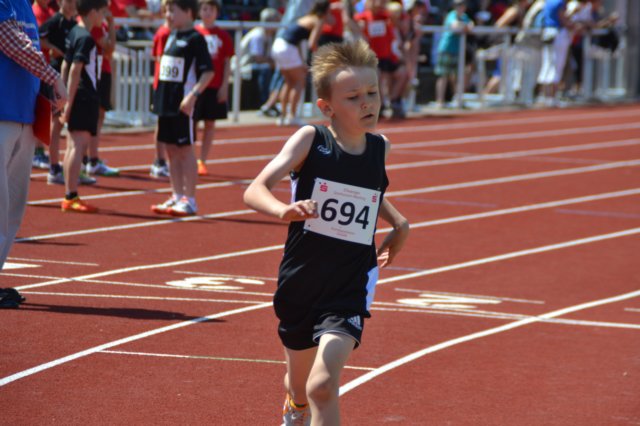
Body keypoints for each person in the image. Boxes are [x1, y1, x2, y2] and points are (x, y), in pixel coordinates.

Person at [243, 39, 409, 425]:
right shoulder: (310, 140)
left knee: (323, 385)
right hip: (301, 280)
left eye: (372, 93)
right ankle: (295, 405)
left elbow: (365, 194)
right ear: (326, 107)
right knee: (300, 386)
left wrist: (399, 223)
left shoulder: (380, 148)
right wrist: (282, 210)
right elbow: (254, 189)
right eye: (353, 97)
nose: (367, 103)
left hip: (349, 284)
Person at [0, 0, 67, 282]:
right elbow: (10, 41)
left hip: (24, 115)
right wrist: (53, 77)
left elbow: (29, 53)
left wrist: (44, 92)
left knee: (13, 208)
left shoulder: (25, 4)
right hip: (3, 114)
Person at [150, 0, 213, 216]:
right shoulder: (171, 35)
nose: (167, 14)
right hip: (165, 103)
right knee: (170, 150)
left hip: (183, 105)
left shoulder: (196, 39)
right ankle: (177, 196)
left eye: (172, 10)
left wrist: (193, 96)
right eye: (166, 10)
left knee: (185, 150)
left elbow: (208, 72)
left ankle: (190, 200)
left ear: (187, 12)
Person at [59, 0, 108, 213]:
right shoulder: (86, 38)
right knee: (78, 146)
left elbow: (65, 64)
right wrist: (68, 102)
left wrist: (63, 95)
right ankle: (71, 195)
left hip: (78, 95)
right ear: (93, 12)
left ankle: (70, 193)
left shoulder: (74, 32)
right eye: (102, 12)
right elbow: (75, 69)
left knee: (73, 146)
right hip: (84, 96)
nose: (103, 17)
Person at [271, 0, 329, 127]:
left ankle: (282, 116)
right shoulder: (318, 20)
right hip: (287, 47)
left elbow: (295, 40)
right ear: (325, 11)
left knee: (288, 82)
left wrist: (302, 61)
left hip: (278, 44)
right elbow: (312, 43)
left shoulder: (306, 18)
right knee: (299, 82)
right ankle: (292, 116)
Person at [38, 0, 78, 185]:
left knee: (67, 124)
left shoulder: (74, 24)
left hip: (68, 76)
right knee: (56, 122)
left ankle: (72, 165)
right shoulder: (55, 21)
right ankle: (53, 167)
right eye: (68, 1)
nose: (72, 5)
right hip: (55, 76)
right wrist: (53, 49)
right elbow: (38, 38)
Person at [193, 0, 233, 177]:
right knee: (191, 123)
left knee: (210, 123)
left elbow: (227, 63)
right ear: (199, 11)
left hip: (215, 86)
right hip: (196, 86)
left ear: (217, 12)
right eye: (204, 9)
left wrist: (224, 86)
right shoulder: (194, 33)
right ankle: (190, 157)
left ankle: (202, 160)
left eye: (211, 9)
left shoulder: (223, 35)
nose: (208, 12)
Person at [354, 0, 409, 119]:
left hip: (387, 57)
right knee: (376, 75)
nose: (379, 5)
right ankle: (381, 104)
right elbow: (352, 22)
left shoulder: (387, 16)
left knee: (403, 73)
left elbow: (401, 20)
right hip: (373, 58)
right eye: (376, 2)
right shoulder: (363, 17)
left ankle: (393, 100)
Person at [85, 4, 120, 177]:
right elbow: (110, 48)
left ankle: (91, 157)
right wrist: (112, 23)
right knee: (93, 118)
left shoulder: (101, 25)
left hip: (103, 71)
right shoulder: (97, 26)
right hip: (97, 72)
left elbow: (110, 52)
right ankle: (91, 159)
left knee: (99, 117)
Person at [234, 7, 282, 116]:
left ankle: (271, 103)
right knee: (266, 69)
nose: (278, 24)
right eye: (276, 21)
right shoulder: (258, 34)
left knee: (279, 69)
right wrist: (274, 63)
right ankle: (264, 103)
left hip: (256, 65)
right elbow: (258, 58)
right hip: (244, 66)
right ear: (270, 21)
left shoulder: (270, 35)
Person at [434, 0, 474, 108]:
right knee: (443, 75)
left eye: (462, 4)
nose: (460, 7)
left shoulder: (464, 16)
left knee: (456, 76)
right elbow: (456, 26)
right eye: (458, 5)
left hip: (457, 50)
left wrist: (465, 26)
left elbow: (471, 26)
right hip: (446, 49)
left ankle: (457, 98)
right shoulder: (451, 15)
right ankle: (440, 101)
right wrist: (465, 26)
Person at [536, 0, 573, 106]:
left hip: (547, 33)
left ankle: (543, 96)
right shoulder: (560, 2)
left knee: (547, 64)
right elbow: (562, 18)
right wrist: (572, 25)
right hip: (557, 34)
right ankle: (552, 97)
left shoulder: (548, 2)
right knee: (557, 65)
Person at [149, 0, 171, 178]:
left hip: (174, 86)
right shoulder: (163, 33)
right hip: (163, 85)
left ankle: (165, 159)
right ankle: (159, 160)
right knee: (162, 123)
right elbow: (159, 59)